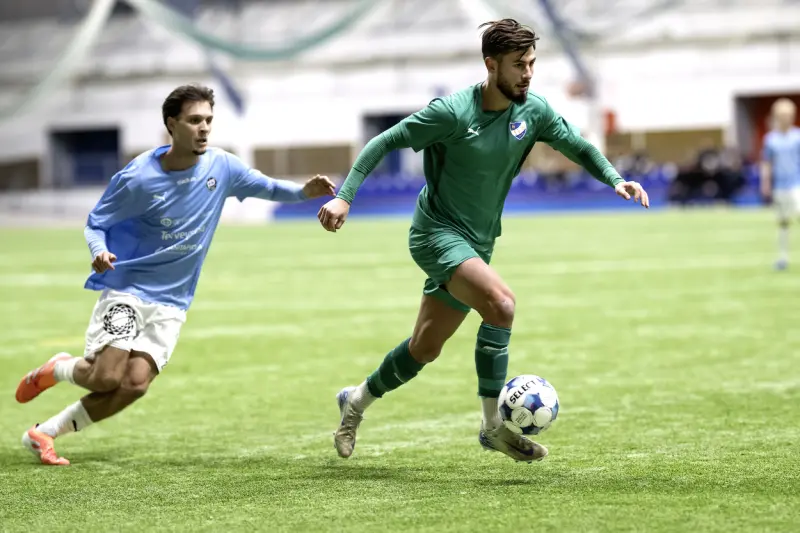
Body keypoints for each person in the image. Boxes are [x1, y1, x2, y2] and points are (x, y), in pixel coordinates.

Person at [317, 19, 649, 463]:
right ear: (491, 65)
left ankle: (354, 403)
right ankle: (493, 426)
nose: (528, 73)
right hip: (435, 233)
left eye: (532, 63)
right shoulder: (452, 113)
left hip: (478, 242)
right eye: (518, 65)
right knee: (502, 304)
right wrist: (344, 198)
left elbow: (577, 145)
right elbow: (385, 140)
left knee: (424, 348)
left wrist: (614, 178)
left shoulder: (534, 111)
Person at [15, 84, 336, 466]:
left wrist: (303, 192)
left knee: (133, 385)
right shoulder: (138, 178)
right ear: (172, 124)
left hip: (173, 301)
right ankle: (58, 368)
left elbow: (265, 186)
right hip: (129, 289)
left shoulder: (223, 166)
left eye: (208, 120)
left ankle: (44, 433)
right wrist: (98, 250)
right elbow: (96, 223)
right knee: (105, 378)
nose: (204, 128)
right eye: (194, 120)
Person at [760, 98, 800, 270]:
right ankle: (783, 257)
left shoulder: (797, 136)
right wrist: (765, 182)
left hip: (796, 183)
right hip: (780, 185)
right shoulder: (770, 139)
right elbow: (766, 163)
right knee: (783, 221)